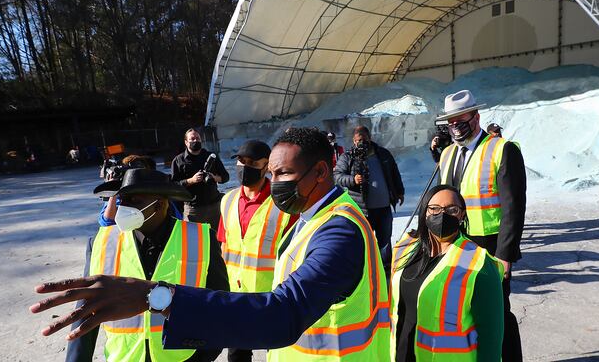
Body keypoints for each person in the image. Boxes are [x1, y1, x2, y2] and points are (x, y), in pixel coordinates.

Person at [32, 127, 391, 361]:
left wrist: (155, 296)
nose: (273, 182)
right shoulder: (312, 216)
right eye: (272, 174)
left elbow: (283, 314)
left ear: (321, 172)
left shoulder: (339, 232)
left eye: (283, 174)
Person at [65, 168, 229, 361]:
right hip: (124, 357)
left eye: (134, 201)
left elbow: (219, 304)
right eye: (122, 199)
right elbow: (85, 312)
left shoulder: (200, 239)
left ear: (159, 205)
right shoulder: (102, 243)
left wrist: (204, 355)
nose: (123, 207)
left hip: (183, 358)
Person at [429, 89, 525, 362]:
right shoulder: (447, 153)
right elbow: (441, 199)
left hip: (490, 245)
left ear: (477, 117)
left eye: (462, 120)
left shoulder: (502, 149)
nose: (456, 127)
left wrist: (505, 255)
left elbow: (514, 206)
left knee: (496, 313)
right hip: (455, 243)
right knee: (462, 309)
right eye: (451, 122)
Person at [390, 184, 504, 361]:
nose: (442, 215)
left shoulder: (479, 264)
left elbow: (491, 339)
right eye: (434, 208)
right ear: (425, 212)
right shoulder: (405, 248)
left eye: (452, 209)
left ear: (462, 215)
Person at [215, 140, 297, 362]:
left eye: (252, 162)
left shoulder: (283, 204)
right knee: (237, 354)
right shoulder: (227, 200)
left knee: (277, 353)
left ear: (266, 167)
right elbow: (224, 246)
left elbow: (295, 253)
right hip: (236, 296)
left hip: (271, 297)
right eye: (241, 161)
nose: (244, 166)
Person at [334, 125, 405, 271]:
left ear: (370, 138)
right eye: (358, 140)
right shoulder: (348, 156)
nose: (362, 143)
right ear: (354, 141)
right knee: (363, 241)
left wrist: (399, 191)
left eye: (364, 139)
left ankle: (385, 270)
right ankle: (365, 269)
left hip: (384, 208)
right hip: (362, 210)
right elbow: (337, 176)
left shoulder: (383, 154)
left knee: (385, 240)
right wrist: (353, 179)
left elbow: (394, 173)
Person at [170, 129, 229, 225]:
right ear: (186, 142)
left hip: (214, 206)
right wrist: (191, 180)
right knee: (194, 239)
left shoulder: (211, 156)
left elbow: (226, 177)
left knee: (217, 238)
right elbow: (173, 185)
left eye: (197, 138)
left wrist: (214, 177)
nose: (195, 141)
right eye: (192, 139)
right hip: (193, 209)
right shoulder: (178, 161)